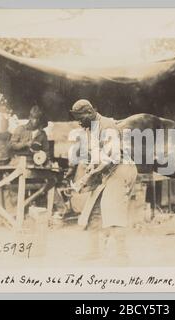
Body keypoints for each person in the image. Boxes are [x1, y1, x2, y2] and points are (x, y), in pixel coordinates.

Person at [69, 99, 137, 264]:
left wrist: (92, 174)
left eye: (80, 117)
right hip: (105, 172)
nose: (78, 121)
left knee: (113, 210)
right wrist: (90, 169)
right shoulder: (90, 128)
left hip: (120, 169)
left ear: (90, 112)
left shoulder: (107, 125)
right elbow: (97, 156)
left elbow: (112, 156)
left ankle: (122, 254)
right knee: (93, 211)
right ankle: (95, 251)